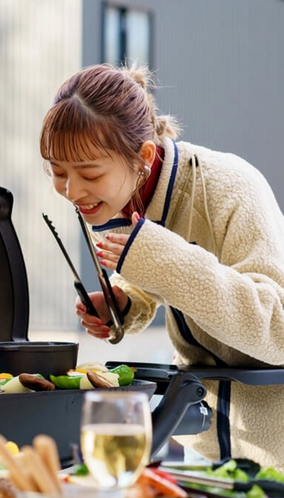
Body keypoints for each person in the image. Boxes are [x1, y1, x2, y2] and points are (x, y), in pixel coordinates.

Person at [40, 64, 284, 469]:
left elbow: (277, 327)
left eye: (89, 173)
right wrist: (125, 304)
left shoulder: (232, 188)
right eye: (57, 172)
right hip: (202, 446)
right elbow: (158, 279)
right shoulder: (123, 195)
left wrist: (160, 258)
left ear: (144, 157)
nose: (71, 192)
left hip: (273, 455)